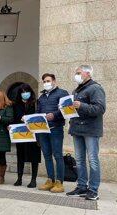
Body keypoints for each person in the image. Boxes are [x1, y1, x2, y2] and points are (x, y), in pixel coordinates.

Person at [66, 65, 106, 201]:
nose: (76, 75)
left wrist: (81, 105)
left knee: (93, 160)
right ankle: (82, 186)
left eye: (78, 73)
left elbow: (100, 108)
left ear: (88, 73)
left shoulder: (95, 88)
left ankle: (93, 190)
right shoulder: (77, 90)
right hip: (77, 129)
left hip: (90, 130)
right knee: (80, 160)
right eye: (76, 72)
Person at [36, 73, 69, 193]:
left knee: (58, 155)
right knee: (47, 155)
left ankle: (59, 182)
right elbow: (38, 112)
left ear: (54, 81)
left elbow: (66, 109)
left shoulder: (62, 93)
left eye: (48, 81)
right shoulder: (41, 97)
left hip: (56, 128)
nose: (46, 83)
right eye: (44, 81)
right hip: (43, 130)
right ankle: (50, 180)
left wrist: (54, 115)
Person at [12, 84, 41, 188]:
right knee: (20, 157)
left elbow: (39, 116)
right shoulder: (16, 105)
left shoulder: (36, 103)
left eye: (26, 91)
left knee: (34, 157)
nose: (25, 94)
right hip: (21, 135)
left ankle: (33, 180)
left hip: (33, 135)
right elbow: (13, 118)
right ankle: (19, 179)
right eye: (22, 92)